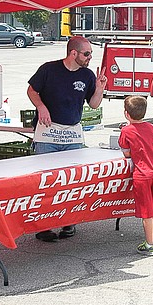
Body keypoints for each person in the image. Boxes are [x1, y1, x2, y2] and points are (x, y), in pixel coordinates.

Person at [27, 36, 107, 242]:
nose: (90, 57)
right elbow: (31, 90)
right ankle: (44, 226)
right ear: (74, 54)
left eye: (90, 54)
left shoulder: (87, 75)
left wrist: (99, 87)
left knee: (70, 180)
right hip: (48, 133)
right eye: (86, 54)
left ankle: (68, 222)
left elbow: (95, 104)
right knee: (46, 180)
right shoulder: (49, 69)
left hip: (72, 134)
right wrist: (41, 107)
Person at [118, 96, 153, 256]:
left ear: (126, 114)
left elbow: (126, 152)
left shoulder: (126, 131)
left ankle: (149, 244)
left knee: (146, 213)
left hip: (141, 175)